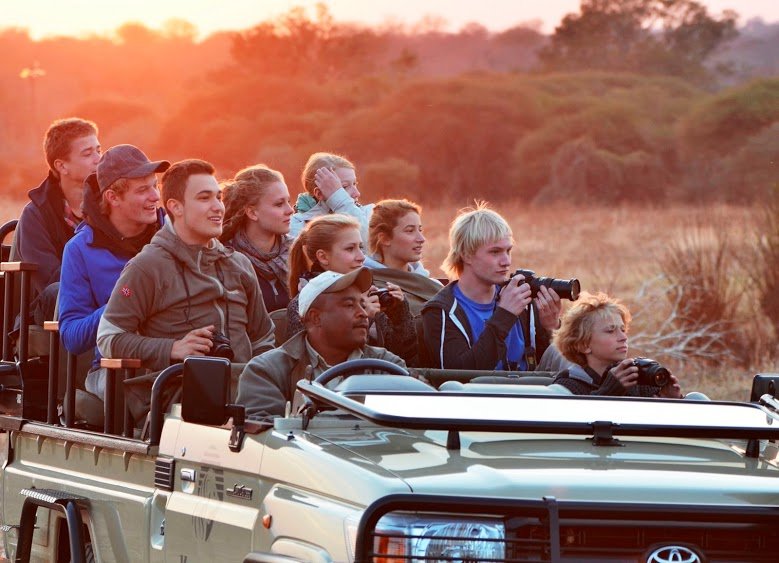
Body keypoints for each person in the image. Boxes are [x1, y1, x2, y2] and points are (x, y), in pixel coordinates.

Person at [97, 159, 275, 401]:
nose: (218, 208)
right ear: (176, 207)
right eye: (204, 198)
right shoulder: (147, 266)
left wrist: (263, 383)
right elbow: (109, 338)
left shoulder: (239, 264)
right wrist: (171, 348)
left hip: (245, 398)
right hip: (179, 401)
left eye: (218, 197)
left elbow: (263, 337)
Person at [59, 145, 169, 398]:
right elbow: (71, 337)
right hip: (116, 367)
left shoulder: (175, 235)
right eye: (143, 190)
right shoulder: (79, 249)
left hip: (177, 358)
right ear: (113, 197)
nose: (155, 196)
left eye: (155, 186)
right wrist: (121, 304)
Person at [237, 267, 405, 421]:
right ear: (316, 317)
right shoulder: (267, 370)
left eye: (362, 304)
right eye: (349, 305)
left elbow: (409, 426)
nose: (363, 313)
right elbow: (264, 438)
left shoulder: (387, 365)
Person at [421, 203, 561, 371]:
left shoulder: (521, 298)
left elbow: (546, 365)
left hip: (530, 393)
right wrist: (505, 315)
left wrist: (551, 328)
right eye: (495, 252)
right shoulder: (441, 311)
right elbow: (457, 376)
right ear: (466, 255)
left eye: (508, 251)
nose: (506, 261)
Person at [286, 214, 418, 365]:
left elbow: (404, 363)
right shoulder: (303, 306)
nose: (361, 257)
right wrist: (364, 317)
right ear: (323, 257)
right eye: (350, 249)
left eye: (361, 247)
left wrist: (399, 316)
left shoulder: (370, 294)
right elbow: (311, 366)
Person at [15, 117, 101, 322]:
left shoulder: (111, 203)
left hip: (107, 295)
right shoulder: (35, 215)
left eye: (98, 150)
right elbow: (49, 280)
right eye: (88, 154)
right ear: (62, 166)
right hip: (50, 309)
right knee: (59, 291)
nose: (98, 158)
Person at [552, 292, 683, 397]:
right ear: (583, 345)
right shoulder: (567, 387)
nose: (623, 337)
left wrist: (673, 401)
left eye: (623, 330)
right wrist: (607, 393)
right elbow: (576, 424)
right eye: (610, 331)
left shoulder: (638, 380)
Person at [220, 164, 294, 312]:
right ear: (252, 213)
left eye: (288, 201)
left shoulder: (298, 252)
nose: (290, 210)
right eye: (279, 204)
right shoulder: (225, 259)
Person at [364, 198, 443, 317]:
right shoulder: (370, 290)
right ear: (384, 239)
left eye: (420, 230)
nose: (421, 239)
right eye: (410, 231)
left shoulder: (433, 285)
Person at [289, 152, 373, 244]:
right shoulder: (296, 226)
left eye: (354, 184)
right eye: (344, 187)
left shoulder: (369, 214)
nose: (357, 193)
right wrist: (339, 199)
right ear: (319, 193)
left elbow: (370, 246)